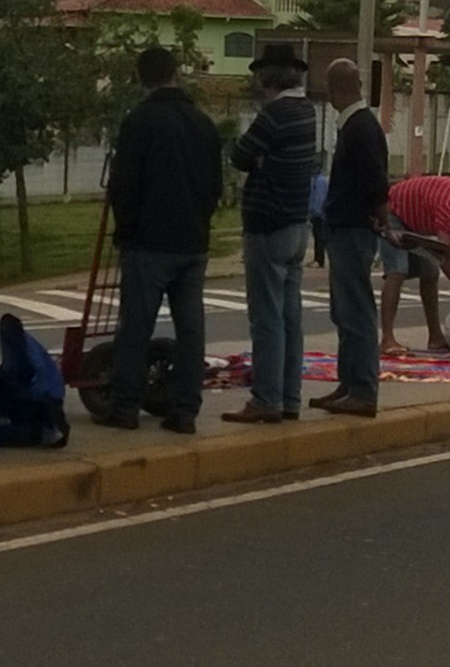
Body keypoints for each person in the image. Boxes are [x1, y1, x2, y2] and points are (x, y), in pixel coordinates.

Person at [98, 46, 223, 435]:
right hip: (193, 241)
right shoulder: (203, 123)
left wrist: (127, 229)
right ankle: (184, 410)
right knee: (191, 329)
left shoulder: (139, 122)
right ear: (175, 74)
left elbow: (125, 184)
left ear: (142, 78)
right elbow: (215, 186)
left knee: (136, 327)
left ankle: (125, 406)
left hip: (149, 241)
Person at [222, 43, 318, 425]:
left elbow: (240, 156)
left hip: (268, 223)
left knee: (266, 318)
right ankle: (290, 397)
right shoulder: (307, 110)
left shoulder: (274, 114)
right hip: (297, 222)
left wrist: (261, 160)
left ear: (268, 78)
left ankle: (266, 398)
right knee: (290, 316)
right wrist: (263, 159)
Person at [310, 59, 391, 417]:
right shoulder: (356, 124)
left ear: (333, 89)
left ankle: (363, 388)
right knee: (343, 311)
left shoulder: (359, 127)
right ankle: (349, 382)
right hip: (346, 228)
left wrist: (382, 218)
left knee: (355, 310)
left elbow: (374, 181)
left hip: (353, 229)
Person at [378, 175, 450, 356]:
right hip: (393, 212)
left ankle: (435, 338)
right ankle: (387, 339)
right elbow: (446, 259)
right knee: (398, 270)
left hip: (414, 221)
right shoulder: (449, 210)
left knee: (430, 272)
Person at [309, 166, 329, 267]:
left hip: (319, 214)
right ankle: (317, 258)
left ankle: (319, 259)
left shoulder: (319, 180)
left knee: (319, 237)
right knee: (317, 236)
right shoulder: (318, 180)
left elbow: (320, 197)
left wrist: (317, 211)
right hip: (317, 213)